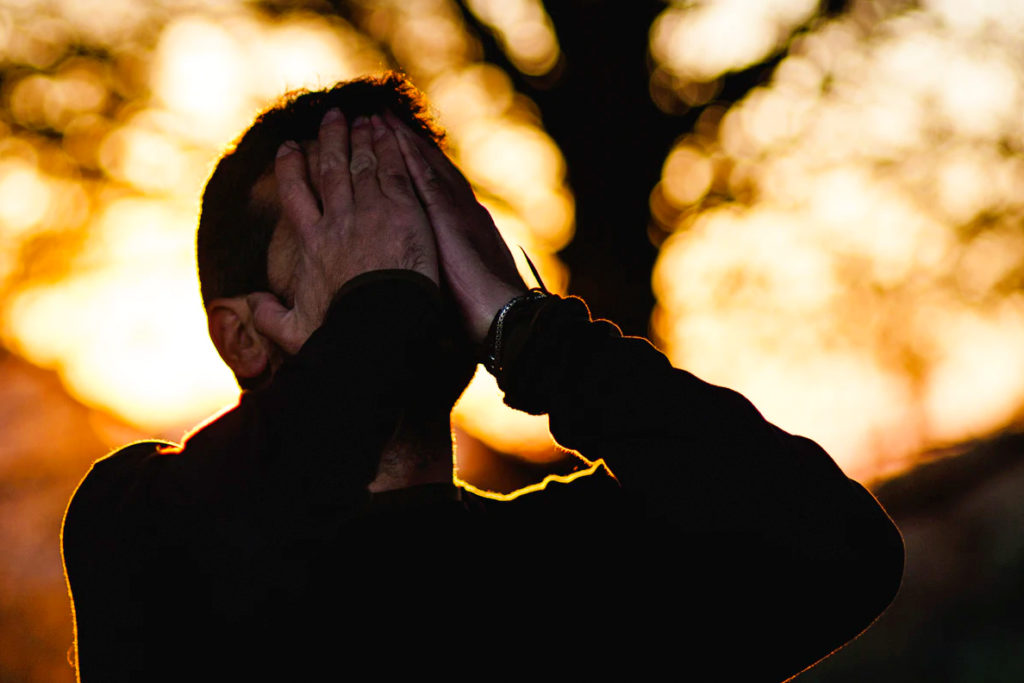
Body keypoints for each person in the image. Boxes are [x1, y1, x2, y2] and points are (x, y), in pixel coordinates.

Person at [62, 73, 903, 681]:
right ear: (241, 336)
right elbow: (268, 509)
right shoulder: (142, 526)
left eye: (427, 213)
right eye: (350, 224)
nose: (407, 256)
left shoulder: (585, 560)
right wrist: (378, 308)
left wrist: (527, 329)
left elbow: (842, 551)